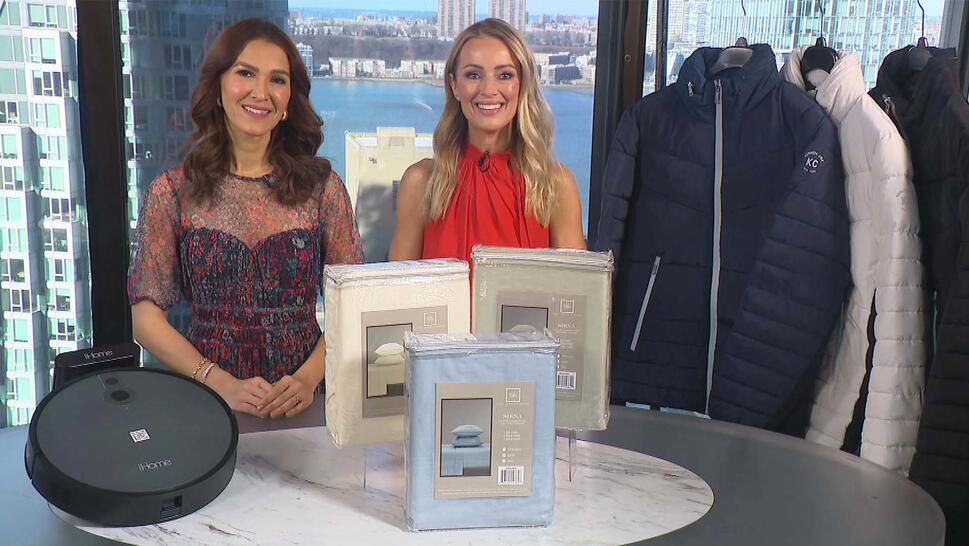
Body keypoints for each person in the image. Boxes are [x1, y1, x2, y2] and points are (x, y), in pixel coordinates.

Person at [128, 18, 363, 419]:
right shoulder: (172, 192)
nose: (261, 92)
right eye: (245, 73)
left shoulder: (322, 188)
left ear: (290, 99)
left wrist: (307, 379)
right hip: (208, 401)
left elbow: (355, 304)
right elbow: (144, 318)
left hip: (305, 399)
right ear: (218, 87)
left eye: (277, 79)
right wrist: (218, 381)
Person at [389, 18, 585, 263]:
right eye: (473, 75)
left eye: (504, 75)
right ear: (454, 85)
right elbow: (397, 295)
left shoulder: (556, 185)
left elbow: (576, 294)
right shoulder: (420, 182)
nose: (489, 89)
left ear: (522, 84)